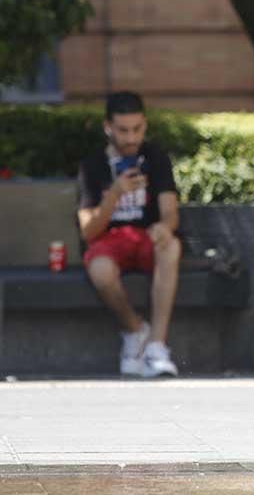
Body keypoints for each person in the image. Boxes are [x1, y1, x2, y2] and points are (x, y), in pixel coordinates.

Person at [77, 91, 181, 378]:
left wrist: (163, 227)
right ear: (107, 127)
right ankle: (136, 330)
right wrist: (115, 193)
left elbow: (170, 213)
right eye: (123, 130)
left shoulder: (155, 158)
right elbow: (88, 230)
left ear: (145, 125)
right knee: (99, 269)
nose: (131, 138)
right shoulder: (93, 165)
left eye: (137, 129)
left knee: (170, 246)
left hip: (145, 237)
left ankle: (157, 345)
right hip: (108, 242)